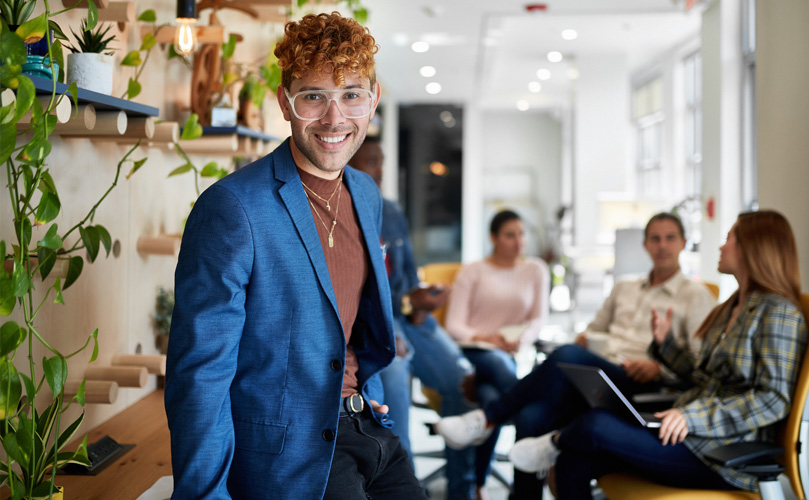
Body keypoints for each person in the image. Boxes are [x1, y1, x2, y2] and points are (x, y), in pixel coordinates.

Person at [165, 12, 426, 500]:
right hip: (290, 456)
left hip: (367, 429)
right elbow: (199, 373)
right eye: (314, 97)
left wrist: (365, 394)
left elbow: (351, 324)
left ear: (372, 102)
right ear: (285, 103)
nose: (334, 118)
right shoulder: (232, 208)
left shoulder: (365, 193)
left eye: (351, 95)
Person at [518, 209, 808, 499]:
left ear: (752, 246)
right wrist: (666, 343)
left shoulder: (778, 312)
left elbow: (773, 399)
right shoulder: (731, 308)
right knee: (573, 461)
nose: (721, 246)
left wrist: (691, 417)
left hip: (719, 451)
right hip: (688, 434)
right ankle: (557, 446)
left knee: (595, 424)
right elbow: (702, 376)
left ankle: (554, 441)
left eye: (729, 238)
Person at [435, 212, 716, 499]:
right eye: (655, 238)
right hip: (600, 378)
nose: (662, 246)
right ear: (645, 244)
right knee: (531, 417)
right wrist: (585, 340)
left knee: (565, 353)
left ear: (683, 243)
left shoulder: (695, 295)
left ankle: (487, 419)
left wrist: (659, 369)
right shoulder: (625, 287)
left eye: (671, 238)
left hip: (642, 385)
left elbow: (700, 364)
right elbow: (593, 331)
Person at [349, 138, 478, 499]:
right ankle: (404, 486)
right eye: (370, 161)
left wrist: (420, 301)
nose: (378, 170)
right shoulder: (339, 212)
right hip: (375, 323)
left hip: (407, 315)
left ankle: (460, 488)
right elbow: (353, 294)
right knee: (393, 369)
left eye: (381, 162)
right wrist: (398, 317)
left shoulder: (390, 212)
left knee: (463, 381)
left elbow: (404, 279)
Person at [443, 209, 551, 500]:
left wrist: (522, 340)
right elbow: (453, 326)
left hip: (507, 357)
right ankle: (536, 434)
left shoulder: (536, 270)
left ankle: (479, 484)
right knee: (498, 366)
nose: (519, 242)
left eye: (522, 234)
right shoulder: (473, 271)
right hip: (472, 354)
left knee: (493, 402)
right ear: (493, 238)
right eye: (509, 235)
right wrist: (484, 337)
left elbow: (538, 320)